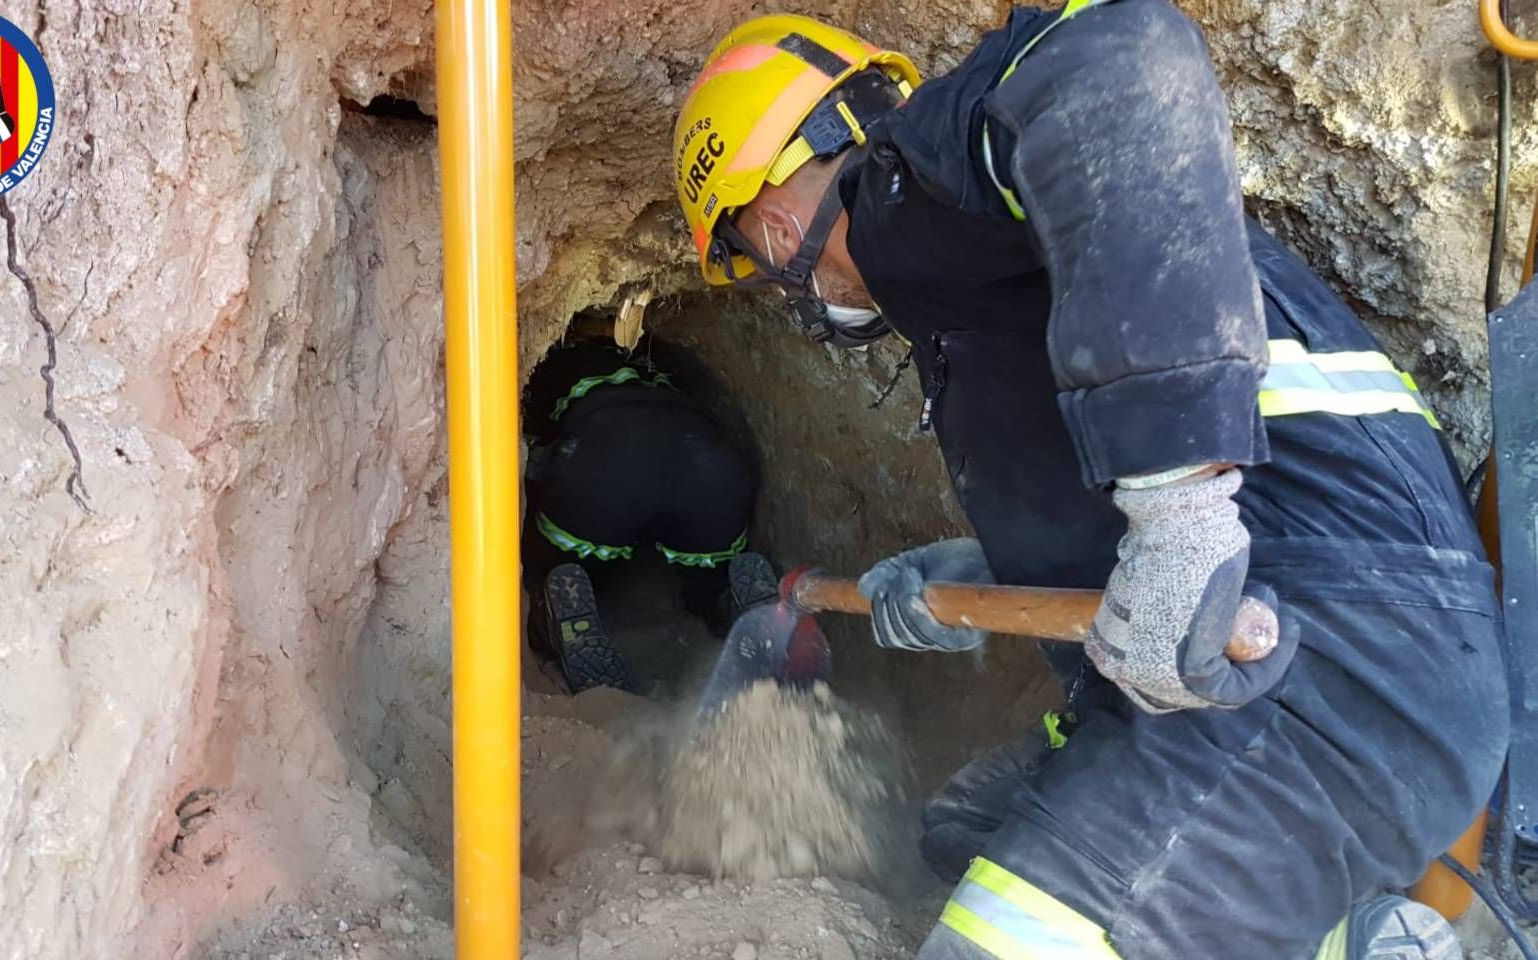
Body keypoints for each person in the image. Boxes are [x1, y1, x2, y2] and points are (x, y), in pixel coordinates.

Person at [672, 4, 1509, 959]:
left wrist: (1179, 515)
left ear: (776, 226)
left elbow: (1118, 52)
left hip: (1318, 662)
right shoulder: (978, 266)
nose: (783, 291)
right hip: (1335, 644)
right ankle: (1343, 937)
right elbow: (1126, 472)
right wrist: (981, 575)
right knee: (962, 831)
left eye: (754, 265)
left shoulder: (907, 193)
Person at [522, 330, 777, 694]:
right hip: (708, 461)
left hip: (606, 455)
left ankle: (557, 609)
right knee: (707, 576)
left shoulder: (555, 363)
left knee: (559, 563)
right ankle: (729, 596)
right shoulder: (658, 363)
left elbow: (531, 449)